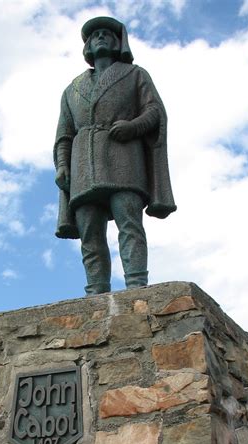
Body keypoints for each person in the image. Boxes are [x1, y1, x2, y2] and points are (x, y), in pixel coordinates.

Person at [54, 16, 176, 295]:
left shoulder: (135, 74)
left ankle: (136, 285)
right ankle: (96, 291)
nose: (100, 37)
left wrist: (133, 126)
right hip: (84, 164)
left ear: (118, 41)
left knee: (129, 223)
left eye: (106, 33)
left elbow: (155, 112)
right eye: (94, 34)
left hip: (124, 161)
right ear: (86, 46)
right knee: (89, 233)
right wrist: (62, 165)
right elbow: (64, 134)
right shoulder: (72, 89)